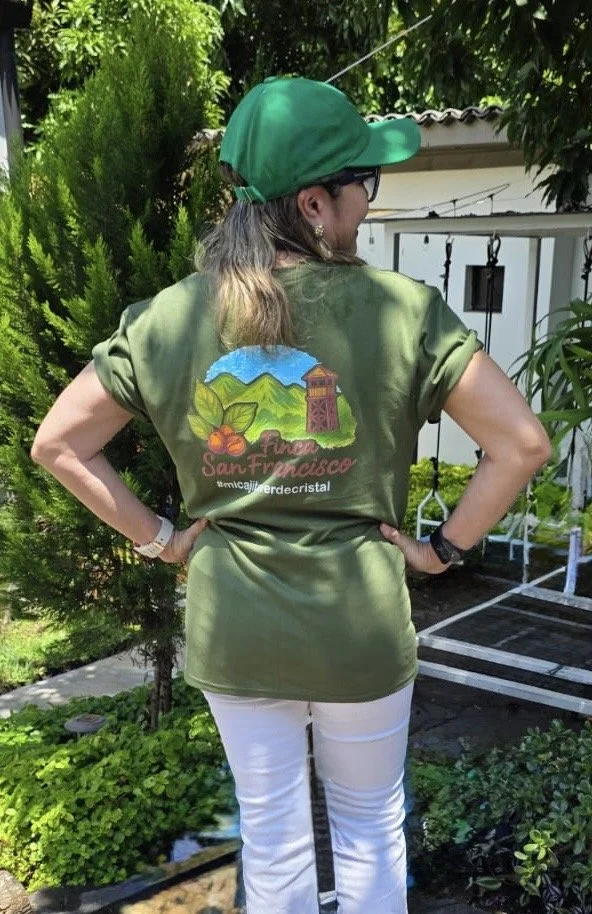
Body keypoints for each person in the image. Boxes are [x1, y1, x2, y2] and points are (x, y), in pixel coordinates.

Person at [31, 76, 551, 914]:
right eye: (364, 186)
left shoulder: (167, 318)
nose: (369, 205)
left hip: (236, 625)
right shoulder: (404, 311)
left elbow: (57, 445)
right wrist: (441, 549)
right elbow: (522, 444)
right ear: (315, 203)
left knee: (271, 834)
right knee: (370, 825)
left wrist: (166, 538)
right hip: (361, 624)